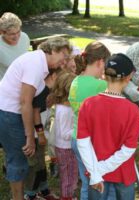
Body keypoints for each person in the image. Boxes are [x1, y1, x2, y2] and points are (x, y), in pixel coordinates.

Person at [0, 37, 72, 200]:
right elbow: (25, 103)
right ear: (53, 50)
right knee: (18, 160)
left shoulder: (41, 64)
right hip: (9, 113)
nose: (64, 61)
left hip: (13, 112)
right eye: (64, 56)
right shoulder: (36, 64)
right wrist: (29, 137)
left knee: (20, 160)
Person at [77, 53, 139, 200]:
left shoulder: (88, 104)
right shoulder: (132, 110)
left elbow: (83, 143)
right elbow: (129, 148)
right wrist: (101, 169)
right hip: (122, 171)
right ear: (128, 78)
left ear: (104, 75)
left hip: (96, 169)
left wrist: (96, 172)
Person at [68, 41, 111, 200]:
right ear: (100, 62)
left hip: (76, 138)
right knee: (98, 184)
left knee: (86, 182)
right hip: (92, 143)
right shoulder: (100, 85)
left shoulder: (76, 81)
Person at [24, 70, 60, 200]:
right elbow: (35, 112)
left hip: (38, 133)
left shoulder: (48, 90)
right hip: (34, 135)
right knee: (34, 165)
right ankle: (31, 194)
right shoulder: (43, 90)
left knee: (40, 164)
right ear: (54, 76)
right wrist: (40, 135)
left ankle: (44, 190)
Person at [52, 71, 78, 200]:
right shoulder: (65, 111)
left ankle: (68, 194)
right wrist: (79, 130)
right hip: (66, 148)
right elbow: (65, 134)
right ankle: (66, 196)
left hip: (65, 147)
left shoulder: (62, 106)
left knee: (70, 172)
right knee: (68, 174)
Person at [0, 12, 30, 80]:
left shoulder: (24, 37)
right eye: (12, 34)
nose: (16, 36)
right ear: (2, 32)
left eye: (18, 31)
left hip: (24, 82)